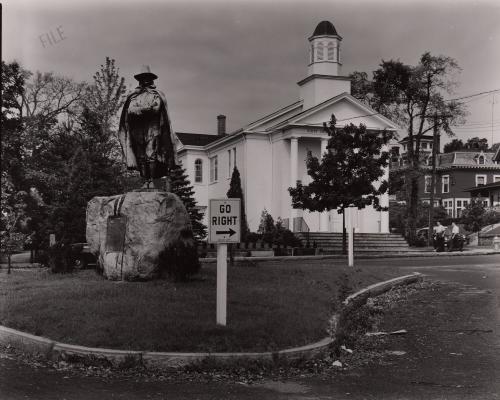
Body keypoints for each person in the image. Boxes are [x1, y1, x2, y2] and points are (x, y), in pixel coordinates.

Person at [118, 65, 177, 189]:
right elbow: (130, 110)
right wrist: (145, 109)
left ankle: (151, 180)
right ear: (139, 79)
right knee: (140, 156)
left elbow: (156, 109)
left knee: (151, 154)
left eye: (147, 77)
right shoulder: (134, 96)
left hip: (153, 130)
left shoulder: (157, 94)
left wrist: (141, 110)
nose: (145, 80)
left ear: (151, 79)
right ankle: (145, 181)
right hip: (138, 131)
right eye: (143, 77)